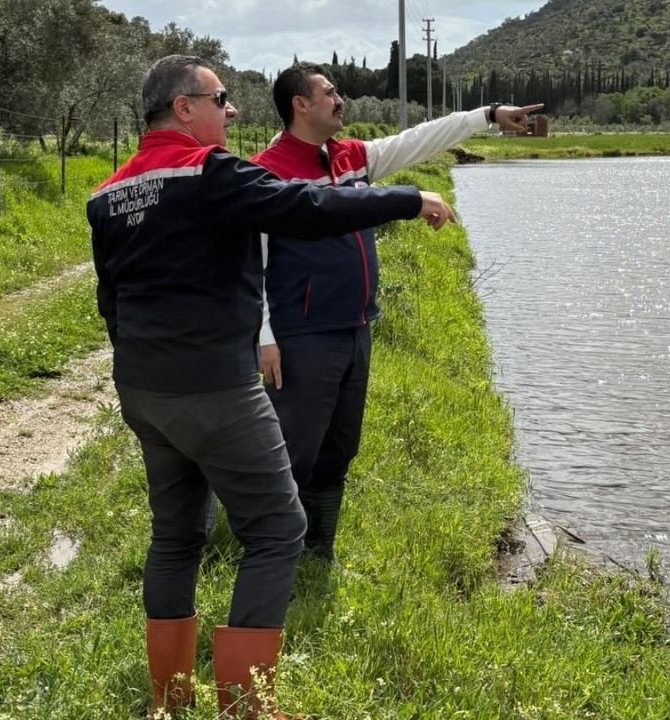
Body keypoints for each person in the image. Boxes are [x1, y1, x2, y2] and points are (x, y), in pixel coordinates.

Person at [87, 54, 454, 719]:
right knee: (279, 528)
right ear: (183, 108)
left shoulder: (107, 193)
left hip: (143, 391)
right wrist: (408, 198)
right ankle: (246, 707)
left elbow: (109, 301)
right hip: (216, 390)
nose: (231, 111)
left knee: (175, 538)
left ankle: (168, 701)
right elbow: (306, 206)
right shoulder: (210, 173)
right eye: (221, 98)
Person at [250, 61, 540, 564]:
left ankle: (319, 551)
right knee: (295, 448)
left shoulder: (352, 157)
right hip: (301, 335)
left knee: (339, 448)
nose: (340, 100)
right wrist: (264, 335)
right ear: (300, 104)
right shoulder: (266, 172)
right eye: (329, 92)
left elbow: (420, 139)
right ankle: (273, 554)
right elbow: (250, 264)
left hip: (356, 328)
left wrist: (488, 115)